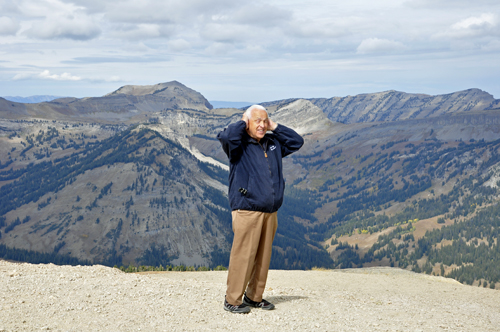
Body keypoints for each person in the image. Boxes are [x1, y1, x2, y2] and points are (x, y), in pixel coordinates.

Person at [217, 104, 304, 313]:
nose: (262, 125)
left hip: (270, 210)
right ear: (246, 122)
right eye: (257, 120)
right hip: (247, 209)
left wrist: (274, 126)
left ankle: (254, 297)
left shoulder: (272, 143)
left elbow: (296, 141)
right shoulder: (238, 145)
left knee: (263, 257)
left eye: (265, 121)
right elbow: (226, 137)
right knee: (244, 255)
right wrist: (243, 123)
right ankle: (232, 300)